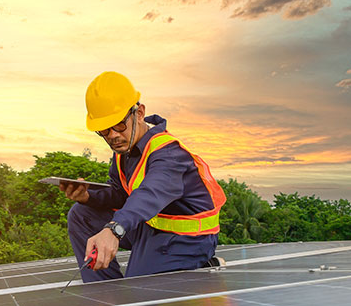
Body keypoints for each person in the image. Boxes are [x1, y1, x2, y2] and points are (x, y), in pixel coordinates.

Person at [62, 71, 227, 283]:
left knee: (138, 292)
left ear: (139, 113)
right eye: (104, 130)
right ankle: (105, 291)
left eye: (119, 124)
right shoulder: (124, 151)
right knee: (80, 214)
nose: (112, 135)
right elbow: (121, 195)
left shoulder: (168, 155)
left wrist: (114, 230)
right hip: (151, 227)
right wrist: (88, 197)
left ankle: (196, 263)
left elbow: (148, 195)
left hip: (187, 239)